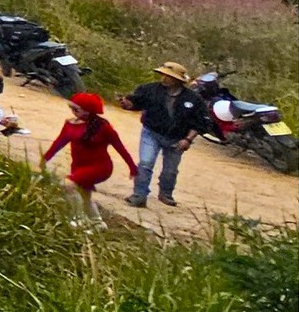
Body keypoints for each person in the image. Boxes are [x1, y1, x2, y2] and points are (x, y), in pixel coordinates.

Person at [120, 61, 207, 208]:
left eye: (169, 76)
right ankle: (139, 194)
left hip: (178, 138)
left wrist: (188, 139)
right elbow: (136, 103)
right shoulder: (149, 89)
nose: (164, 79)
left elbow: (200, 122)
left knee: (170, 169)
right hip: (151, 132)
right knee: (146, 163)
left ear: (178, 80)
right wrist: (127, 104)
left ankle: (166, 193)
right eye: (163, 75)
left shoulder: (194, 99)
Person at [41, 92, 135, 218]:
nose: (73, 112)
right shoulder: (70, 124)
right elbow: (59, 143)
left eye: (76, 109)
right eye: (71, 108)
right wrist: (44, 159)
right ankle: (97, 223)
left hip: (99, 167)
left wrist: (132, 167)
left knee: (67, 184)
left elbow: (120, 147)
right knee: (85, 197)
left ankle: (77, 220)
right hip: (78, 165)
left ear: (88, 111)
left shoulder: (103, 127)